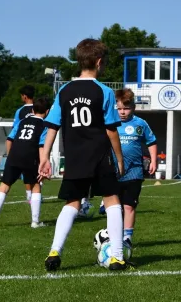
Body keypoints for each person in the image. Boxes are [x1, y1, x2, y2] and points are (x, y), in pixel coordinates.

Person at [38, 38, 129, 272]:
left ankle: (54, 251)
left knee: (72, 203)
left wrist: (44, 157)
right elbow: (111, 130)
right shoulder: (104, 92)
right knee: (112, 201)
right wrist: (119, 158)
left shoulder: (65, 90)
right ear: (99, 62)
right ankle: (117, 257)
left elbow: (52, 126)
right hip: (99, 156)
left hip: (75, 157)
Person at [0, 97, 50, 229]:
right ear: (47, 111)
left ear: (32, 110)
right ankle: (35, 222)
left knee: (4, 186)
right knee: (35, 186)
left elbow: (9, 139)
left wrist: (10, 156)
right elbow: (41, 146)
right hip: (30, 156)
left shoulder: (22, 121)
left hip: (14, 155)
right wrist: (42, 164)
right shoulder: (45, 125)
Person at [113, 88, 157, 250]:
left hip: (134, 171)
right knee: (115, 207)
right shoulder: (110, 122)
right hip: (113, 172)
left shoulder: (140, 124)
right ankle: (114, 235)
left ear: (133, 107)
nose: (123, 112)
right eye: (120, 109)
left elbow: (151, 141)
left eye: (126, 108)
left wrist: (153, 160)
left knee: (129, 206)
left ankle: (127, 238)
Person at [11, 84, 36, 202]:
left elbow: (14, 129)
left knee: (25, 172)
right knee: (36, 171)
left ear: (24, 96)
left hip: (22, 144)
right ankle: (36, 194)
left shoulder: (20, 111)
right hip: (36, 144)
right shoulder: (39, 108)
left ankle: (29, 195)